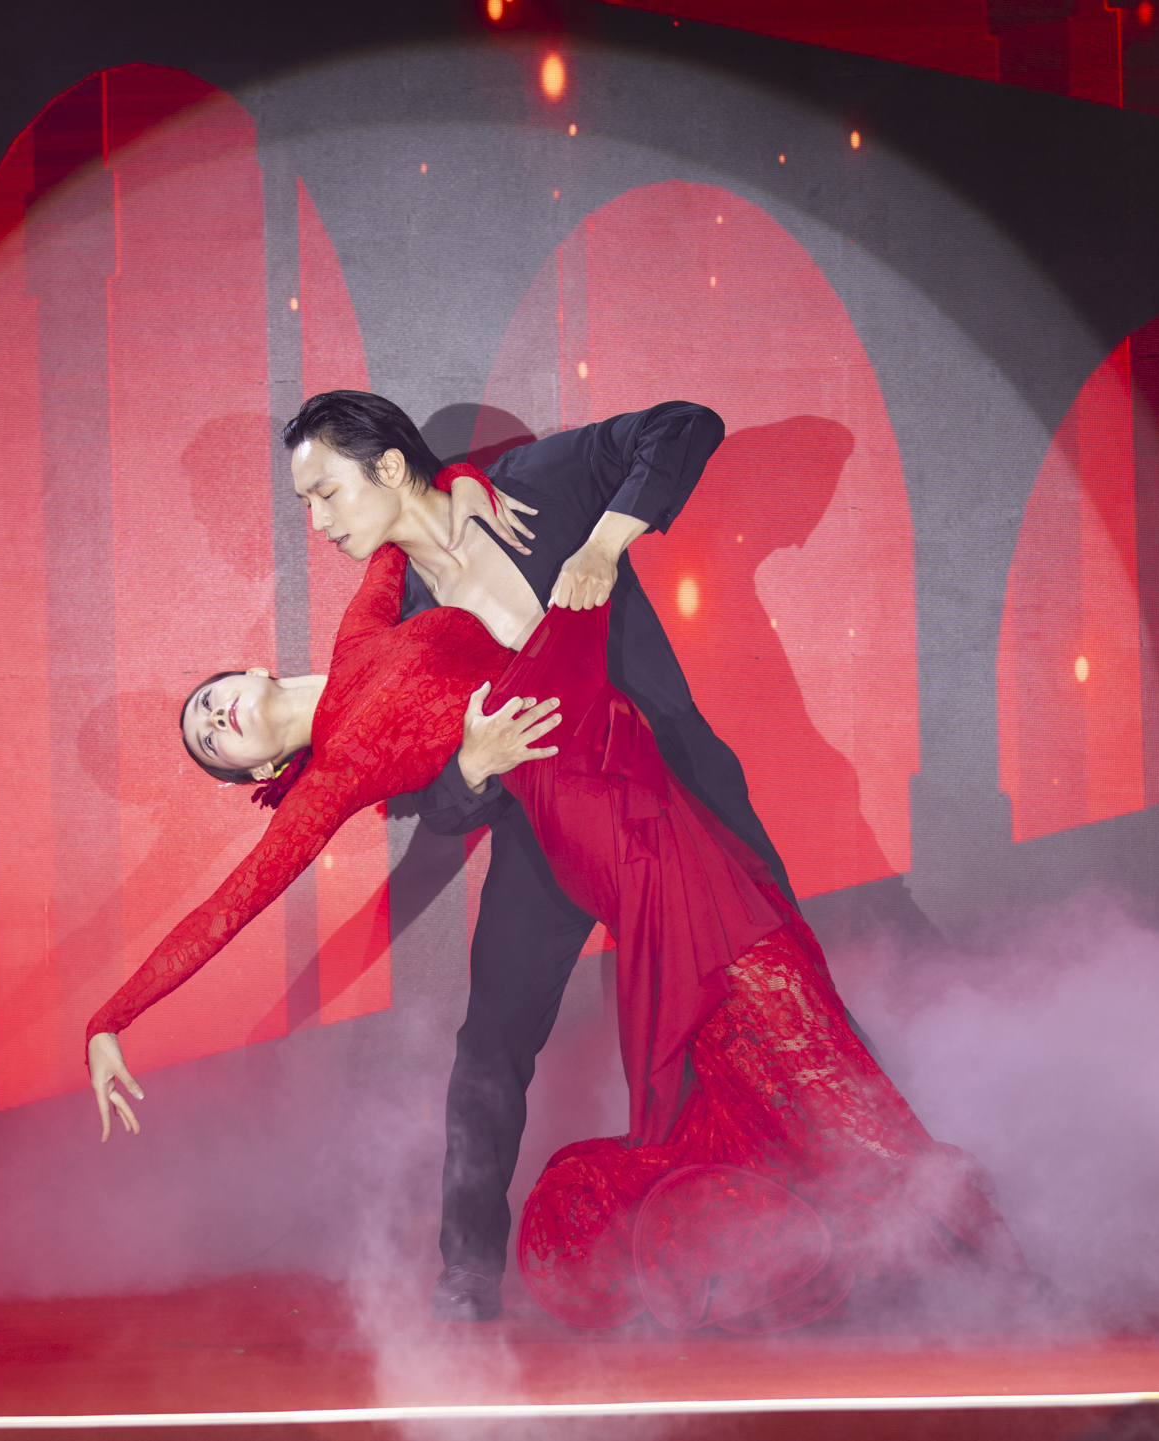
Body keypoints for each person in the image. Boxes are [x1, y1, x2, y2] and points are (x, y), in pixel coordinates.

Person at [88, 532, 1030, 1332]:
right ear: (257, 768)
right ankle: (471, 1275)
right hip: (566, 824)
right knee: (540, 1037)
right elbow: (228, 908)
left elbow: (396, 507)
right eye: (211, 741)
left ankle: (921, 1233)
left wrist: (481, 496)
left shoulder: (364, 624)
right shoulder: (327, 779)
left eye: (209, 703)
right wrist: (109, 1020)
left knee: (763, 1011)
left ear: (251, 670)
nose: (215, 720)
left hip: (622, 759)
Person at [280, 391, 814, 1323]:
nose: (318, 522)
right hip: (549, 838)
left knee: (773, 995)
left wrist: (603, 545)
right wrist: (473, 766)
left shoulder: (530, 488)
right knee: (490, 1046)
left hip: (677, 796)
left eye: (325, 492)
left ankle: (828, 1216)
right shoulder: (400, 625)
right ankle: (466, 1273)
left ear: (390, 468)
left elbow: (686, 425)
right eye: (308, 504)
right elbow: (434, 804)